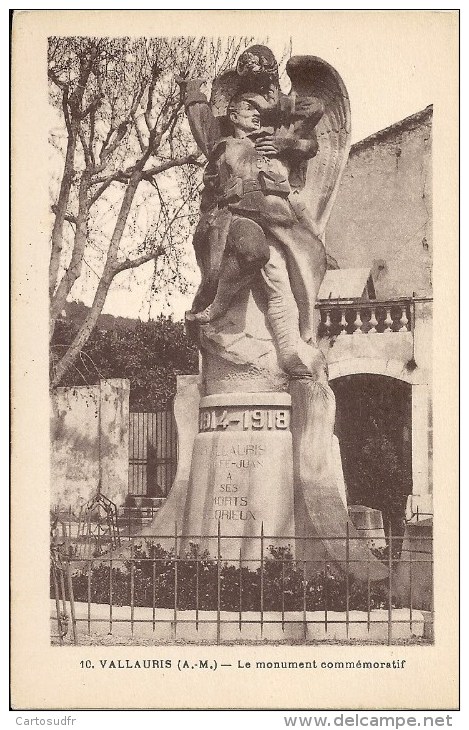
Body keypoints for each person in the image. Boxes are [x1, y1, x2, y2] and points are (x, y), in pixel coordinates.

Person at [178, 73, 327, 376]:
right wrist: (192, 92)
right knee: (251, 256)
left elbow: (313, 119)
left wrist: (283, 136)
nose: (257, 114)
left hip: (273, 219)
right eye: (249, 110)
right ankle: (217, 308)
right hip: (235, 217)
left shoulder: (270, 143)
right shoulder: (223, 144)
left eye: (260, 110)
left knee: (279, 283)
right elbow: (202, 120)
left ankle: (288, 351)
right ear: (233, 115)